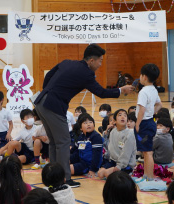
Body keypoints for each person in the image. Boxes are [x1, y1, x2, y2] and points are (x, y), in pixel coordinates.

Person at [34, 44, 134, 187]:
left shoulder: (67, 62)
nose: (100, 64)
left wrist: (48, 92)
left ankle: (53, 177)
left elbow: (49, 75)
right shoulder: (86, 74)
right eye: (100, 61)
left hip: (41, 102)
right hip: (54, 106)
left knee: (54, 142)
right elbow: (101, 93)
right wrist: (120, 90)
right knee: (63, 142)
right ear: (91, 61)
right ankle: (64, 180)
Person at [135, 63, 162, 181]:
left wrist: (137, 123)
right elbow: (159, 105)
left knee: (148, 152)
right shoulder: (154, 89)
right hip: (150, 122)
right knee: (146, 151)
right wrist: (152, 114)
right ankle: (146, 175)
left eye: (140, 75)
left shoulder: (143, 91)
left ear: (144, 77)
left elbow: (142, 109)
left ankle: (150, 177)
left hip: (144, 124)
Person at [98, 109, 136, 178]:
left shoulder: (130, 133)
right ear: (115, 121)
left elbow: (126, 153)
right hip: (113, 161)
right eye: (120, 115)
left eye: (125, 115)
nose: (123, 117)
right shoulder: (113, 131)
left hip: (125, 164)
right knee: (100, 174)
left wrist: (119, 166)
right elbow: (110, 148)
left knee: (107, 174)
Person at [70, 113, 103, 178]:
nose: (88, 124)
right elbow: (74, 150)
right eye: (85, 123)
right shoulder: (81, 137)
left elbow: (97, 155)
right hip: (80, 160)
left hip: (88, 165)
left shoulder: (96, 137)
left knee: (67, 169)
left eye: (90, 122)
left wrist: (92, 169)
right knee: (63, 162)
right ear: (81, 128)